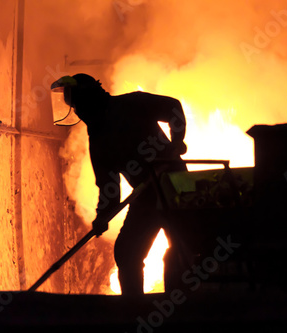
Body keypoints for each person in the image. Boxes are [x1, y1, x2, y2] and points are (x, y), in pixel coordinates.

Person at [51, 73, 188, 295]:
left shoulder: (132, 104)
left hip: (174, 186)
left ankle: (181, 308)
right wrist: (102, 216)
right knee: (127, 253)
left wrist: (177, 141)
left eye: (76, 104)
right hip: (146, 196)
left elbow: (173, 107)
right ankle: (134, 311)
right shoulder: (98, 137)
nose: (76, 110)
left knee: (181, 249)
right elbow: (109, 187)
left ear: (88, 99)